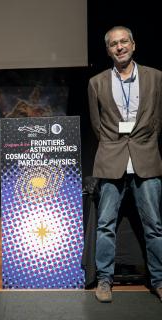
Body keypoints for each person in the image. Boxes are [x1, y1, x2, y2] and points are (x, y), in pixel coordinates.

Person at [88, 26, 162, 303]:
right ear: (108, 50)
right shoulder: (96, 82)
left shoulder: (156, 77)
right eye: (113, 44)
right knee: (106, 225)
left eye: (123, 42)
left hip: (146, 157)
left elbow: (158, 120)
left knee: (154, 225)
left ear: (133, 44)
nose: (119, 47)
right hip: (111, 159)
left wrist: (142, 142)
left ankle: (159, 279)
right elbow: (97, 126)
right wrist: (115, 146)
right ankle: (104, 280)